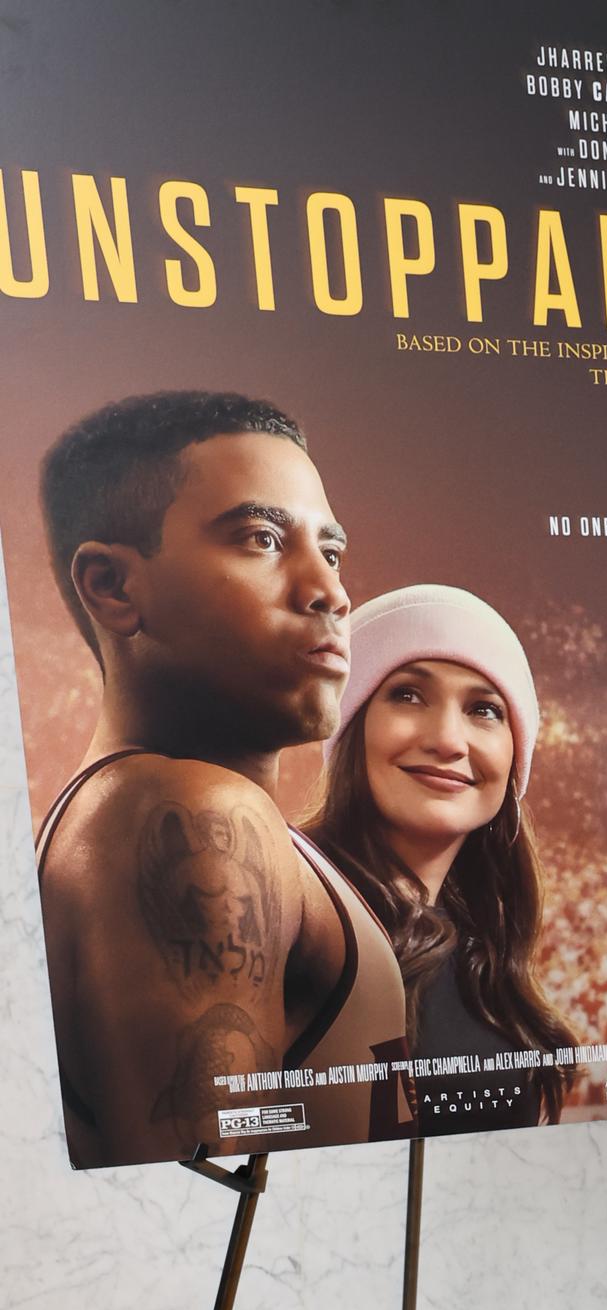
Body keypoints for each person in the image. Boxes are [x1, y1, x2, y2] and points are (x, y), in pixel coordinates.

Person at [33, 391, 407, 1167]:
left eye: (331, 553)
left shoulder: (154, 809)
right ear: (111, 586)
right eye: (262, 539)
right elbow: (207, 1207)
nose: (330, 594)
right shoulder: (195, 813)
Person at [304, 585, 576, 1135]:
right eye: (407, 695)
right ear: (350, 725)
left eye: (484, 710)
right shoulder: (289, 905)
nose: (449, 740)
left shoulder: (486, 958)